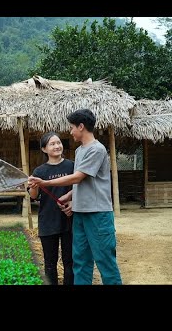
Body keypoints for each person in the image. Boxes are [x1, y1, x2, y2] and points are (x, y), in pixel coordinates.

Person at [28, 109, 122, 285]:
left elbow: (77, 177)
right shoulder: (79, 151)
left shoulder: (97, 149)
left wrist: (45, 183)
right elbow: (82, 183)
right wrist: (70, 196)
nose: (70, 132)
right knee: (80, 262)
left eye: (72, 127)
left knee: (105, 262)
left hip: (97, 214)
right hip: (79, 214)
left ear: (81, 126)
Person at [28, 132, 74, 285]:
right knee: (50, 263)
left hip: (70, 219)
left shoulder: (71, 166)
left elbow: (81, 188)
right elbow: (33, 196)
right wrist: (33, 186)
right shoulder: (40, 171)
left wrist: (73, 204)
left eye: (59, 143)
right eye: (52, 144)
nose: (57, 146)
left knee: (70, 262)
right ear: (44, 149)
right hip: (48, 220)